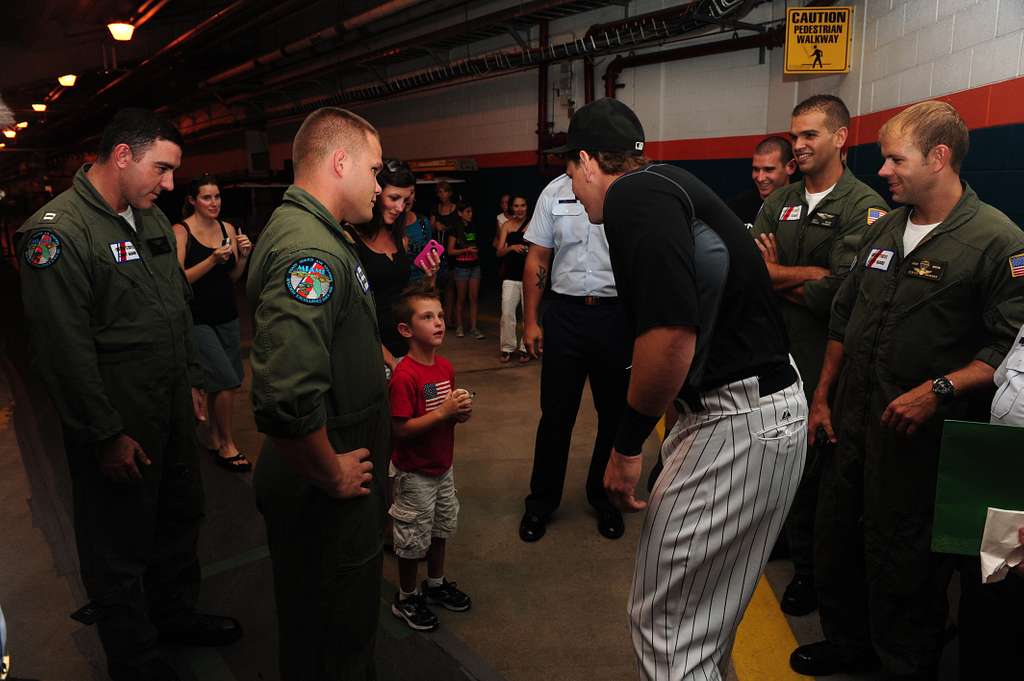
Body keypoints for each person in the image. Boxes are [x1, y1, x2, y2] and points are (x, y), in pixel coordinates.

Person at [557, 97, 806, 680]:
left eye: (570, 170)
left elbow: (670, 338)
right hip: (758, 412)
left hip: (738, 419)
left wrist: (626, 446)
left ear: (589, 161)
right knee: (702, 627)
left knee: (667, 629)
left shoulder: (632, 197)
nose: (572, 186)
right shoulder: (670, 182)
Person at [791, 100, 1024, 678]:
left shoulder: (997, 241)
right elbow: (844, 321)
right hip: (852, 422)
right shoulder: (886, 228)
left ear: (939, 158)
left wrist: (939, 389)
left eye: (896, 159)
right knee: (838, 538)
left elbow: (1008, 348)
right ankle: (849, 644)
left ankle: (903, 662)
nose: (885, 171)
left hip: (924, 440)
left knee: (907, 557)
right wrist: (823, 398)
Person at [16, 108, 241, 681]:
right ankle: (135, 659)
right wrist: (105, 434)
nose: (170, 185)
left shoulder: (151, 221)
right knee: (118, 543)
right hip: (118, 420)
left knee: (177, 518)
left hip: (168, 405)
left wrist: (192, 376)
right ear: (122, 155)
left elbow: (176, 306)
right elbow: (62, 352)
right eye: (161, 170)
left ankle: (174, 615)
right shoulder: (57, 233)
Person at [247, 107, 388, 681]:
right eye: (375, 171)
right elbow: (284, 395)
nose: (380, 187)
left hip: (328, 469)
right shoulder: (315, 254)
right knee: (336, 635)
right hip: (325, 488)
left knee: (315, 620)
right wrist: (329, 472)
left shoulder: (314, 233)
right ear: (340, 161)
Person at [750, 95, 889, 617]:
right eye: (795, 136)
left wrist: (781, 276)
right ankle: (783, 540)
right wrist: (808, 275)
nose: (799, 145)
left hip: (820, 362)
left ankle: (809, 573)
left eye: (809, 135)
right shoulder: (780, 199)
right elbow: (751, 274)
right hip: (770, 355)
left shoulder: (865, 207)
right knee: (771, 458)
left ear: (839, 138)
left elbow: (843, 292)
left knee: (814, 471)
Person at [518, 169, 631, 543]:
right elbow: (538, 255)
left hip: (616, 315)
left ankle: (604, 498)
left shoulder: (626, 188)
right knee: (555, 415)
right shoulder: (554, 191)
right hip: (564, 315)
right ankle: (541, 503)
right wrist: (531, 320)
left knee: (612, 415)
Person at [387, 285, 474, 632]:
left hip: (443, 467)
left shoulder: (445, 368)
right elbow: (400, 429)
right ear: (406, 331)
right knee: (411, 540)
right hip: (415, 474)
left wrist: (459, 414)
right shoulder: (404, 375)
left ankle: (434, 585)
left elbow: (445, 413)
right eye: (427, 317)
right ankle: (406, 597)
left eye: (439, 315)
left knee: (440, 530)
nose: (438, 322)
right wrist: (443, 414)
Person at [172, 174, 254, 472]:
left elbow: (231, 279)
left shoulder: (227, 229)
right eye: (206, 197)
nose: (214, 203)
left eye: (217, 197)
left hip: (227, 315)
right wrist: (211, 261)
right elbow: (179, 281)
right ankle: (227, 445)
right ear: (192, 200)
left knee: (228, 378)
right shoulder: (181, 231)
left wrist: (243, 258)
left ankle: (215, 435)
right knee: (227, 379)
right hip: (197, 318)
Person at [350, 160, 438, 371]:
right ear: (376, 192)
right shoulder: (350, 237)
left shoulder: (401, 238)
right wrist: (388, 359)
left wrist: (429, 277)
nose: (400, 207)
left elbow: (404, 297)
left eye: (405, 200)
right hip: (369, 349)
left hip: (404, 344)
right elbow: (351, 313)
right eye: (394, 198)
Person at [727, 135, 796, 228]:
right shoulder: (737, 207)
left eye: (769, 169)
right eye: (756, 169)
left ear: (791, 167)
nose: (760, 178)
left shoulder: (802, 208)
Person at [495, 194, 530, 362]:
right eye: (516, 206)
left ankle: (526, 347)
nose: (520, 209)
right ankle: (507, 348)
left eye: (523, 205)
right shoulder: (507, 226)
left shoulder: (534, 224)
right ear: (511, 208)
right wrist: (512, 248)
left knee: (528, 314)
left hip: (529, 276)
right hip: (510, 276)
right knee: (507, 313)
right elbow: (499, 251)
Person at [446, 202, 484, 339]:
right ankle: (459, 326)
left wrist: (475, 251)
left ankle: (474, 328)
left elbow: (477, 244)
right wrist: (466, 250)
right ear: (460, 213)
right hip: (461, 267)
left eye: (471, 212)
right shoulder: (455, 229)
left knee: (473, 298)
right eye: (467, 212)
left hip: (474, 266)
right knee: (461, 298)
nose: (470, 214)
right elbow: (450, 251)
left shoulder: (474, 226)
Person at [431, 181, 460, 316]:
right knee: (435, 284)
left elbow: (460, 227)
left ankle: (448, 317)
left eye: (445, 191)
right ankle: (437, 315)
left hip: (452, 249)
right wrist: (435, 225)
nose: (443, 195)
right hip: (437, 249)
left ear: (450, 193)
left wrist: (446, 228)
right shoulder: (435, 208)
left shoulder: (456, 208)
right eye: (440, 192)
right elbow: (430, 229)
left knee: (450, 286)